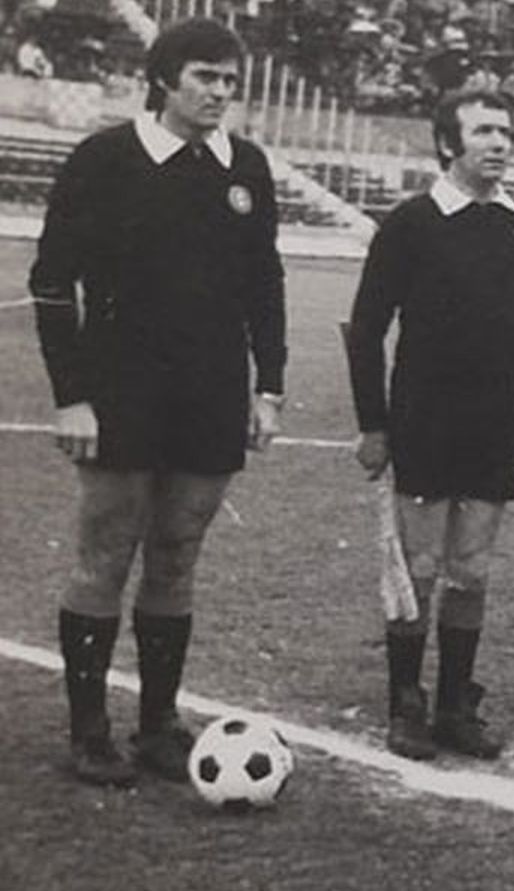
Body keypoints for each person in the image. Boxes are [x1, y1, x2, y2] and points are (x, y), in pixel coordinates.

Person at [33, 18, 285, 787]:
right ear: (164, 80)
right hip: (121, 387)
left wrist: (269, 385)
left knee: (178, 551)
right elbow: (53, 281)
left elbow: (264, 283)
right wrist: (72, 397)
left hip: (211, 388)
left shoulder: (245, 167)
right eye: (206, 77)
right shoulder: (105, 158)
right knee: (107, 551)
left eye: (230, 81)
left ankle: (156, 725)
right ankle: (89, 732)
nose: (220, 93)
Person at [345, 89, 514, 760]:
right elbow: (366, 329)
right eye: (484, 131)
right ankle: (405, 702)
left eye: (506, 132)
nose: (499, 143)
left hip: (497, 421)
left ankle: (453, 705)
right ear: (447, 143)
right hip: (426, 418)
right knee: (420, 566)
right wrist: (373, 424)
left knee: (471, 567)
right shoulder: (412, 222)